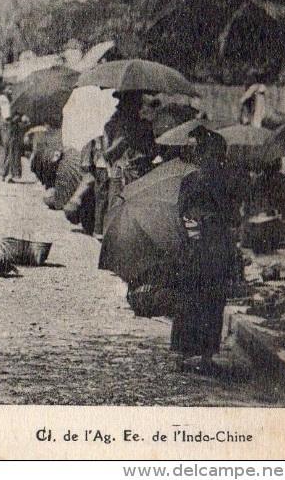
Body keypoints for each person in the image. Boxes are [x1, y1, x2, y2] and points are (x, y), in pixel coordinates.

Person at [171, 126, 242, 373]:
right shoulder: (228, 179)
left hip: (198, 245)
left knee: (193, 297)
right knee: (211, 299)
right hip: (215, 246)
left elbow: (180, 214)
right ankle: (205, 356)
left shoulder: (192, 179)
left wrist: (190, 233)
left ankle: (185, 352)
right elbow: (235, 217)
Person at [104, 91, 156, 212]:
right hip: (119, 175)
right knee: (116, 212)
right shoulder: (111, 126)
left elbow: (152, 151)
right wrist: (124, 140)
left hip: (139, 173)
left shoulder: (145, 126)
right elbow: (106, 155)